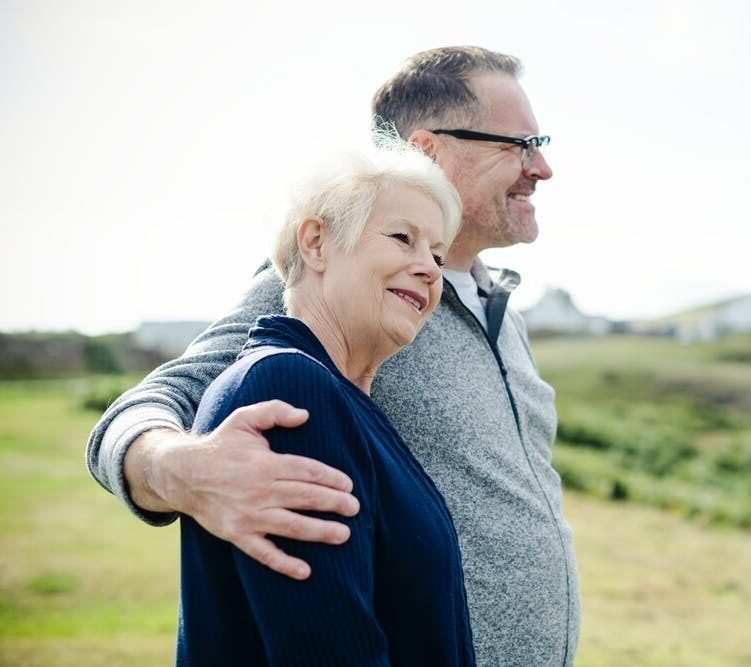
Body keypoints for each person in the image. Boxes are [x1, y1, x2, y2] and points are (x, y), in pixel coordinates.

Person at [87, 46, 579, 666]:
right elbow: (163, 398)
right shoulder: (337, 277)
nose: (543, 167)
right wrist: (177, 469)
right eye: (521, 143)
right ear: (427, 150)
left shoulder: (499, 308)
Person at [177, 140, 474, 665]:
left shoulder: (345, 402)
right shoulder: (290, 387)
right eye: (403, 238)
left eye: (436, 253)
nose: (429, 269)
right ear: (316, 244)